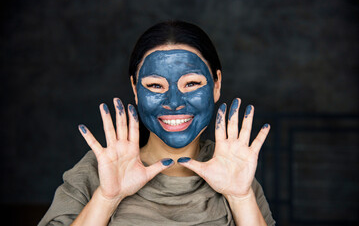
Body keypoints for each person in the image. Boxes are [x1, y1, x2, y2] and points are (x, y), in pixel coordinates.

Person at [39, 21, 275, 226]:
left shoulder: (236, 170)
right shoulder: (98, 169)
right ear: (135, 89)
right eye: (155, 86)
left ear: (216, 85)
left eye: (191, 83)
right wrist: (106, 198)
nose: (174, 103)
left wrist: (241, 198)